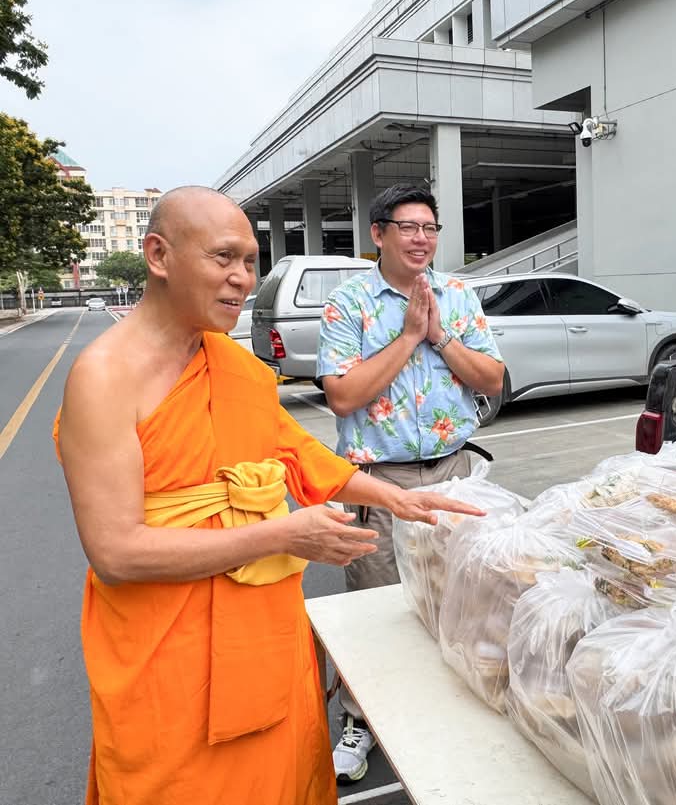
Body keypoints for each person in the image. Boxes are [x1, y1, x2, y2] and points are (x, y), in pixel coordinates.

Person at [55, 186, 483, 805]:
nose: (241, 280)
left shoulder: (234, 368)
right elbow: (116, 553)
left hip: (263, 631)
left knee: (283, 774)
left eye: (251, 263)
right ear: (158, 255)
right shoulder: (103, 377)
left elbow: (297, 454)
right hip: (166, 650)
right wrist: (282, 535)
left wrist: (396, 499)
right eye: (223, 258)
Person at [316, 183, 504, 781]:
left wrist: (439, 335)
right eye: (408, 227)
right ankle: (359, 718)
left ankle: (450, 711)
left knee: (459, 598)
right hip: (379, 482)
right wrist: (406, 338)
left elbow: (493, 379)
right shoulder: (348, 304)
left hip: (452, 473)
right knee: (377, 606)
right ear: (378, 234)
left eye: (430, 228)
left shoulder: (456, 294)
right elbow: (342, 394)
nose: (422, 239)